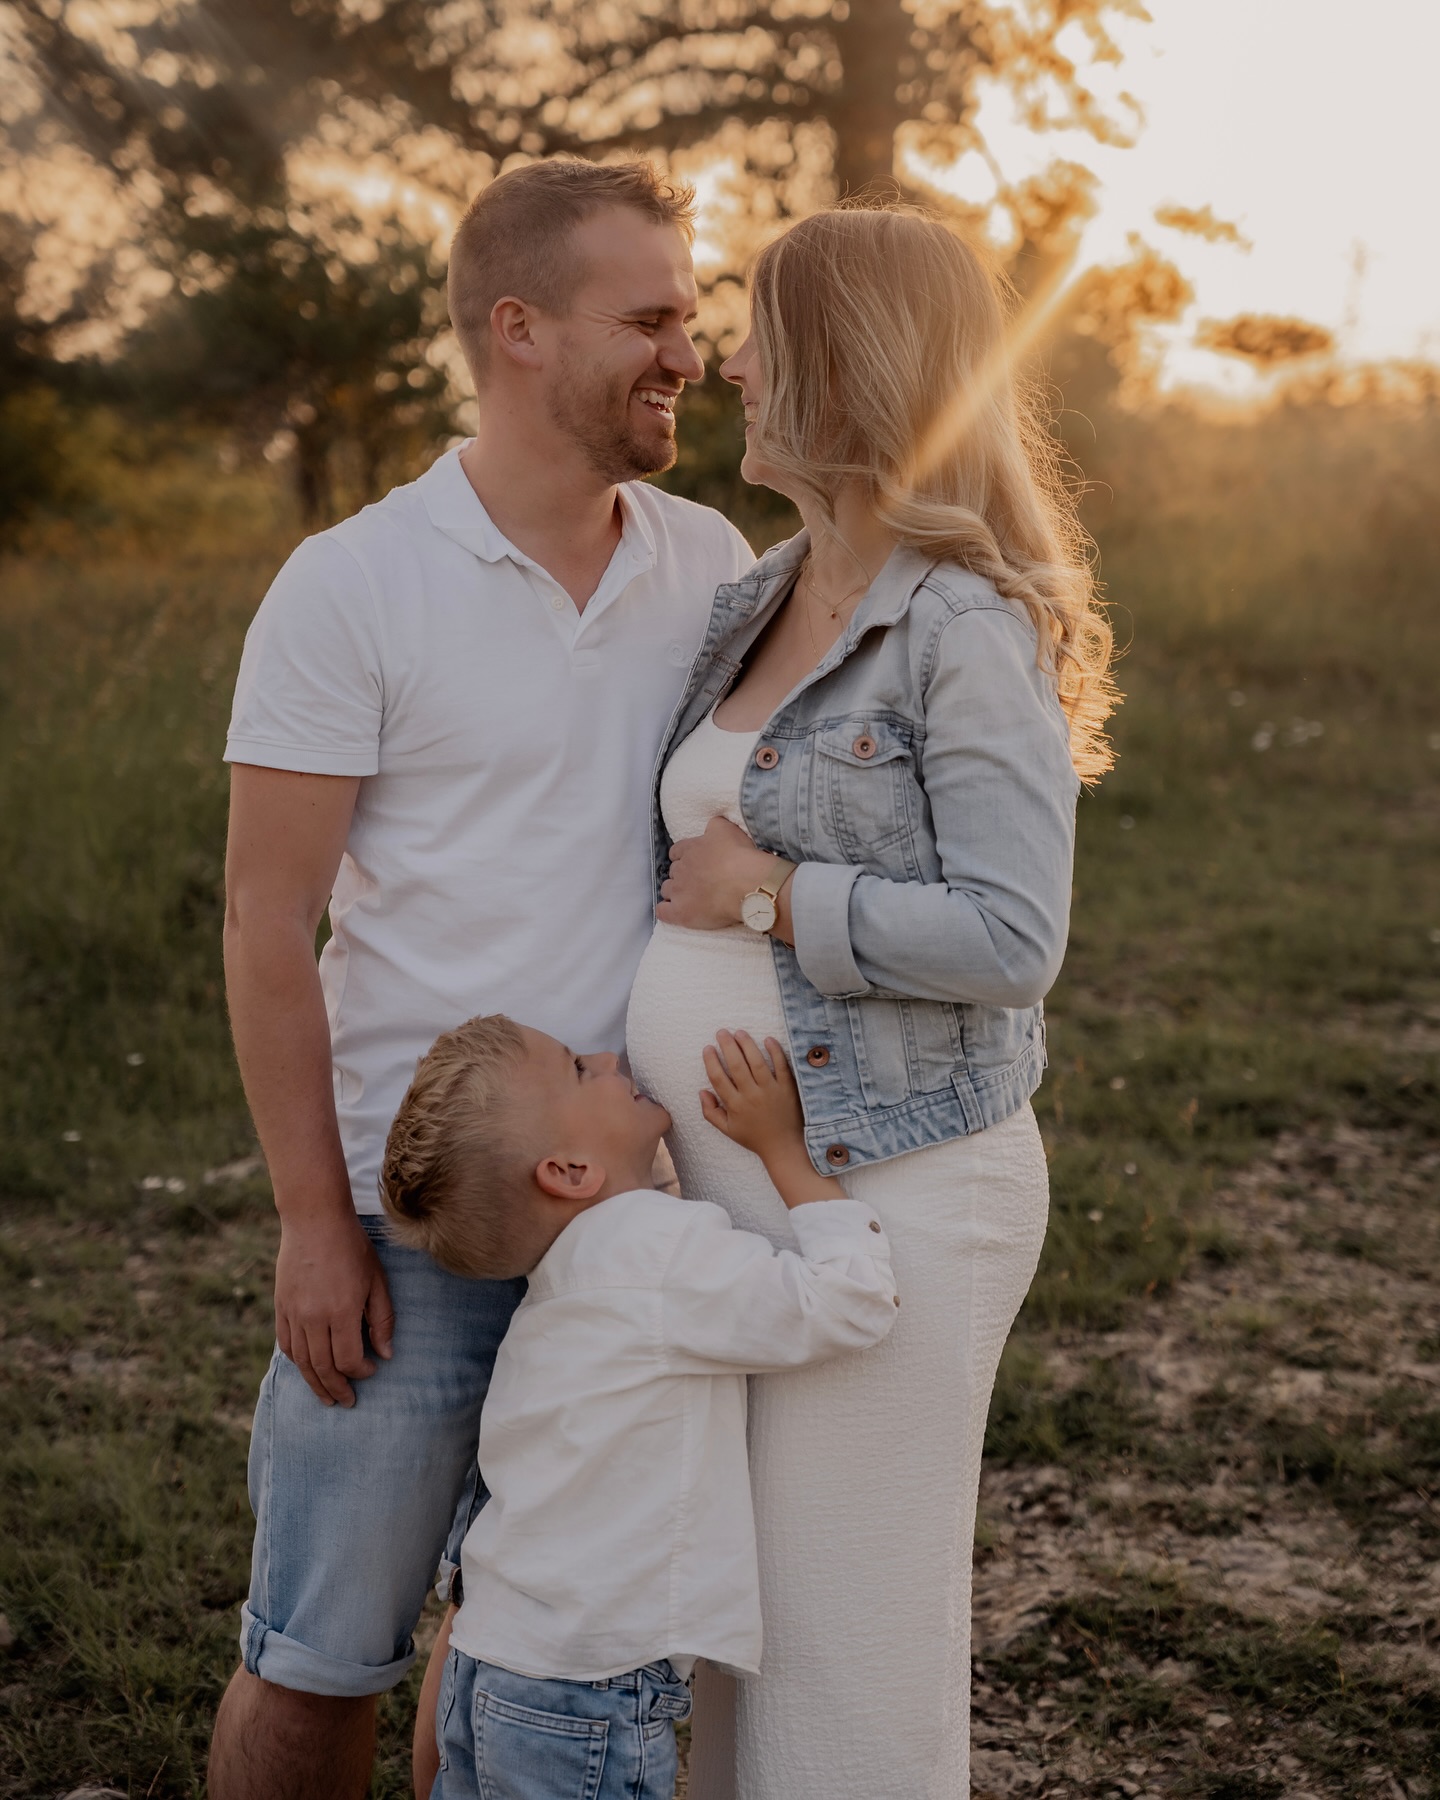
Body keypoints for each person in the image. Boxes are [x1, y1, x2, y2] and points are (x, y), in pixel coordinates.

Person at [208, 157, 754, 1800]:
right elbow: (265, 923)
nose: (688, 355)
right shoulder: (352, 584)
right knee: (323, 1659)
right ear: (518, 328)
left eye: (690, 318)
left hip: (637, 1217)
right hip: (416, 1222)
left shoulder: (710, 561)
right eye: (649, 320)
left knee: (531, 1641)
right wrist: (314, 1223)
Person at [624, 204, 1119, 1798]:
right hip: (731, 1185)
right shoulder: (753, 597)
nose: (728, 363)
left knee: (844, 1653)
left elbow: (1013, 936)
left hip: (898, 1180)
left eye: (759, 333)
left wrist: (768, 894)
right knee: (734, 1625)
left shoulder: (962, 624)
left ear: (846, 364)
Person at [377, 1013, 897, 1800]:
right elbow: (852, 1301)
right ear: (569, 1171)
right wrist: (781, 1148)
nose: (604, 1054)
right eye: (578, 1070)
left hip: (489, 1663)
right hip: (585, 1690)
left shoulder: (565, 1284)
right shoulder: (655, 1251)